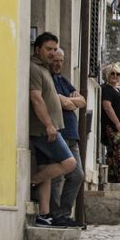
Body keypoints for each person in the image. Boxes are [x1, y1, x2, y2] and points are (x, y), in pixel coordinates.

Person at [28, 33, 78, 228]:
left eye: (54, 49)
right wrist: (49, 125)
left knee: (45, 171)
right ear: (37, 48)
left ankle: (44, 214)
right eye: (48, 49)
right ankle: (30, 182)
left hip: (50, 128)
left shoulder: (44, 69)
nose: (52, 53)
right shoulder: (34, 69)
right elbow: (36, 98)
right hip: (43, 129)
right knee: (69, 163)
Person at [48, 48, 87, 229]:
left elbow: (82, 101)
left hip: (72, 134)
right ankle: (55, 215)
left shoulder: (62, 79)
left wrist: (70, 101)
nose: (58, 64)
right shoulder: (47, 79)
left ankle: (63, 213)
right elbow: (59, 101)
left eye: (61, 61)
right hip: (59, 132)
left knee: (77, 174)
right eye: (55, 60)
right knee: (57, 176)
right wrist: (69, 101)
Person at [101, 63, 120, 183]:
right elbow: (107, 107)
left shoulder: (117, 90)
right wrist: (117, 123)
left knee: (113, 151)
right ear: (107, 75)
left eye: (117, 74)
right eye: (112, 73)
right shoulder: (107, 89)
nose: (114, 76)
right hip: (112, 126)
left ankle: (112, 176)